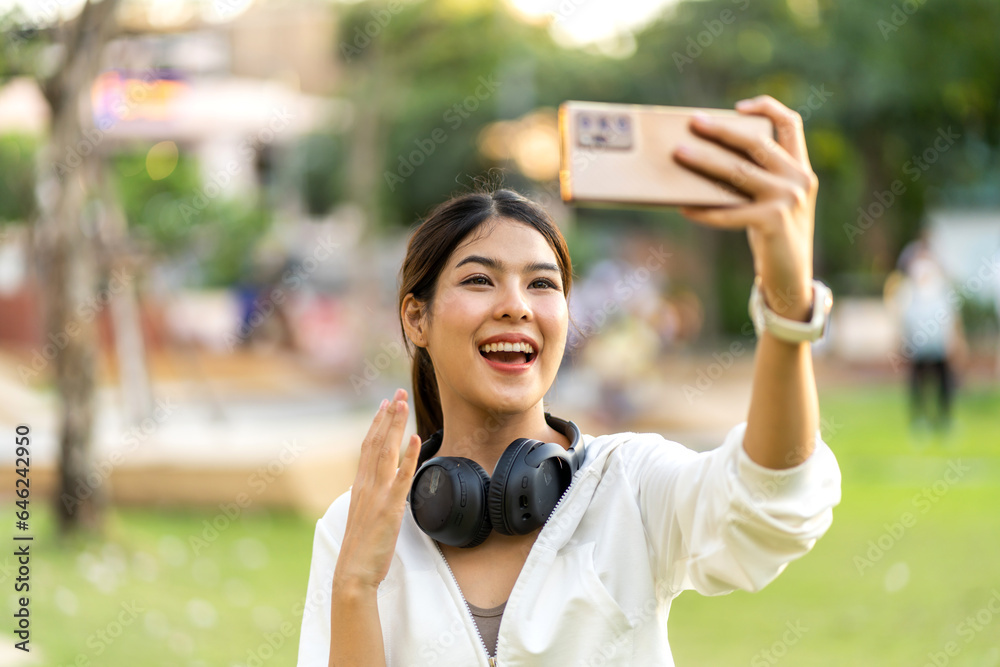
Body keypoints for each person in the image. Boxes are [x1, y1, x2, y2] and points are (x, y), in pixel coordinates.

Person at [296, 95, 842, 666]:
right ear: (417, 317)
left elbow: (771, 503)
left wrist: (788, 304)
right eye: (480, 280)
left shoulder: (630, 484)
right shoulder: (353, 527)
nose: (516, 306)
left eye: (542, 284)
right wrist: (355, 583)